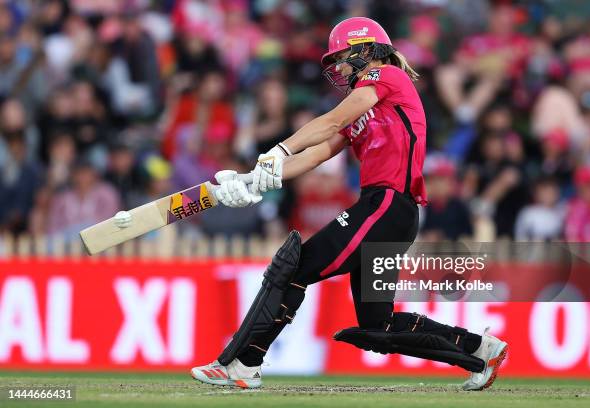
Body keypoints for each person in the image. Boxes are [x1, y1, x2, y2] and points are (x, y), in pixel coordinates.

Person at [191, 17, 507, 391]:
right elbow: (319, 152)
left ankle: (243, 363)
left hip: (386, 206)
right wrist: (254, 178)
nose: (338, 67)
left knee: (293, 268)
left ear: (366, 50)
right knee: (379, 326)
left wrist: (277, 150)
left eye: (342, 57)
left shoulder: (388, 77)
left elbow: (332, 120)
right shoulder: (365, 100)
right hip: (389, 212)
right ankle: (481, 349)